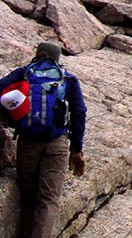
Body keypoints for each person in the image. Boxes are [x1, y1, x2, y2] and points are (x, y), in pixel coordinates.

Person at [0, 42, 87, 238]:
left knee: (28, 195)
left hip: (28, 142)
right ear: (56, 58)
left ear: (39, 54)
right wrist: (77, 150)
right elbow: (79, 113)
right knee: (48, 200)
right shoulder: (67, 79)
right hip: (57, 143)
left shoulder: (23, 73)